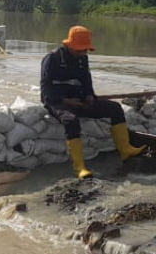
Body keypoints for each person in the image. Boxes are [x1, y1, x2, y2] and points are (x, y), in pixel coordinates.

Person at [40, 25, 146, 179]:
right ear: (68, 45)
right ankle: (80, 168)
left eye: (85, 50)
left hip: (79, 100)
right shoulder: (52, 59)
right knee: (71, 120)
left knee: (115, 108)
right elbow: (46, 88)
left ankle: (125, 150)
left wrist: (89, 96)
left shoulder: (82, 59)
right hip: (57, 102)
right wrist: (66, 101)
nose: (83, 53)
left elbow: (86, 81)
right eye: (79, 50)